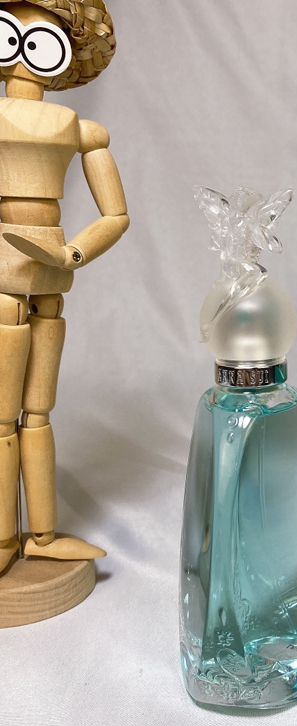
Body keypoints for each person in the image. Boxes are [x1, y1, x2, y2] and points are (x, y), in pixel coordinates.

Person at [0, 0, 127, 572]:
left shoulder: (80, 130)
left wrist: (72, 252)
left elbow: (115, 215)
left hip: (52, 266)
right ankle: (5, 538)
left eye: (41, 37)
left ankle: (43, 535)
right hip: (5, 269)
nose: (24, 49)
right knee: (3, 415)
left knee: (39, 411)